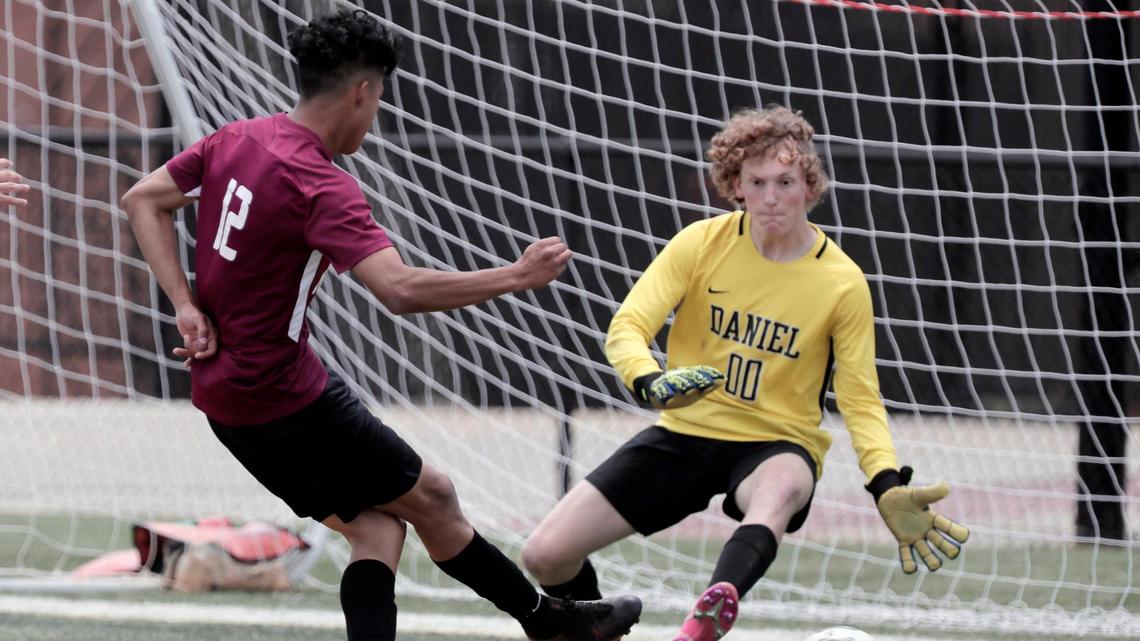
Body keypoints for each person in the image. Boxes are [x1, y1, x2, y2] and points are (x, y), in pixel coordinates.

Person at [121, 9, 640, 641]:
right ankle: (548, 623)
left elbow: (142, 198)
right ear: (363, 91)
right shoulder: (321, 184)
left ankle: (546, 622)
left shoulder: (238, 136)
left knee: (377, 528)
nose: (377, 113)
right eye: (381, 97)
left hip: (229, 392)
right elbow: (399, 289)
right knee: (436, 497)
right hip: (280, 396)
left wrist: (183, 302)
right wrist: (514, 276)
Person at [521, 105, 969, 641]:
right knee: (545, 556)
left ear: (810, 185)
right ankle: (595, 629)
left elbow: (860, 398)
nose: (772, 196)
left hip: (777, 443)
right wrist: (649, 379)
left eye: (786, 181)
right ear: (734, 185)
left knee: (781, 487)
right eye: (756, 182)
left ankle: (706, 619)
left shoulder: (841, 281)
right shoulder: (701, 243)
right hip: (686, 433)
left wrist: (886, 483)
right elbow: (628, 327)